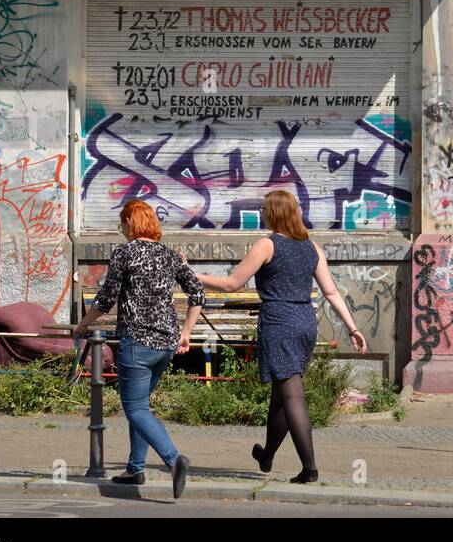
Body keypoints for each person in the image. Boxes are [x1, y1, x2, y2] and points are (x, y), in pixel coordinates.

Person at [197, 189, 367, 483]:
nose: (261, 213)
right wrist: (352, 327)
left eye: (264, 209)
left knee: (292, 395)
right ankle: (267, 455)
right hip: (304, 322)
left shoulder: (266, 245)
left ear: (274, 212)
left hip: (279, 322)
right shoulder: (311, 247)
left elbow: (231, 284)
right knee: (281, 396)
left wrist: (193, 275)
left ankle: (309, 468)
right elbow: (330, 291)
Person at [73, 199, 202, 498]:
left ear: (132, 224)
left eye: (123, 223)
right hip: (166, 345)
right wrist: (186, 332)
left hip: (137, 343)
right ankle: (135, 468)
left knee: (135, 408)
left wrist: (82, 324)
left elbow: (105, 301)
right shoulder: (170, 256)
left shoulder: (125, 253)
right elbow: (197, 292)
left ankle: (173, 461)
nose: (123, 229)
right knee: (141, 406)